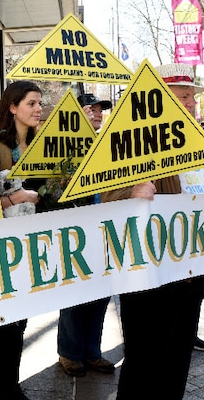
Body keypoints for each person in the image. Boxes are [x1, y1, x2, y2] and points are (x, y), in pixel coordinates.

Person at [100, 63, 204, 399]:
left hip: (192, 268)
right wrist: (130, 194)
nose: (192, 103)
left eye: (193, 96)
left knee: (178, 357)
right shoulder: (130, 142)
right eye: (184, 96)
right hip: (150, 274)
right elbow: (107, 198)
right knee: (145, 360)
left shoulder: (200, 140)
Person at [0, 80, 43, 400]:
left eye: (39, 104)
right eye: (31, 103)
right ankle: (6, 387)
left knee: (21, 318)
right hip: (1, 245)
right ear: (12, 107)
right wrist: (15, 198)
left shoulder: (44, 144)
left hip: (32, 242)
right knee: (6, 320)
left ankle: (11, 382)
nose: (38, 109)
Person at [54, 92, 115, 377]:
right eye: (89, 109)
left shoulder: (109, 143)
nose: (97, 113)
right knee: (74, 291)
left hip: (105, 227)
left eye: (100, 109)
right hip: (73, 228)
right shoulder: (61, 144)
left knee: (101, 293)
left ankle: (92, 351)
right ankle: (69, 353)